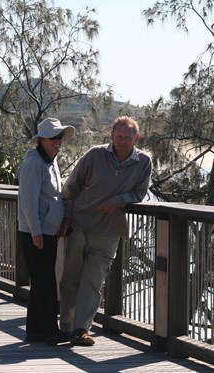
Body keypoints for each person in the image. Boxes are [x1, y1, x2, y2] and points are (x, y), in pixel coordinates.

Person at [58, 115, 152, 346]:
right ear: (111, 136)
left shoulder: (143, 162)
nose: (122, 141)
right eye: (118, 137)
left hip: (109, 231)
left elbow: (140, 193)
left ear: (136, 138)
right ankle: (66, 327)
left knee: (93, 281)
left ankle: (81, 329)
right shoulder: (94, 155)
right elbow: (71, 188)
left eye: (127, 138)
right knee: (71, 278)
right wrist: (67, 218)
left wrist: (117, 201)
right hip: (79, 225)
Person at [17, 117, 75, 344]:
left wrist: (58, 222)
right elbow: (28, 201)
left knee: (42, 281)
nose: (57, 141)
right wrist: (36, 232)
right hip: (37, 233)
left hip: (47, 231)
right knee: (45, 283)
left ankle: (34, 331)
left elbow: (53, 196)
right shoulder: (33, 163)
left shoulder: (51, 160)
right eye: (52, 138)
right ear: (41, 140)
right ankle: (50, 331)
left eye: (59, 137)